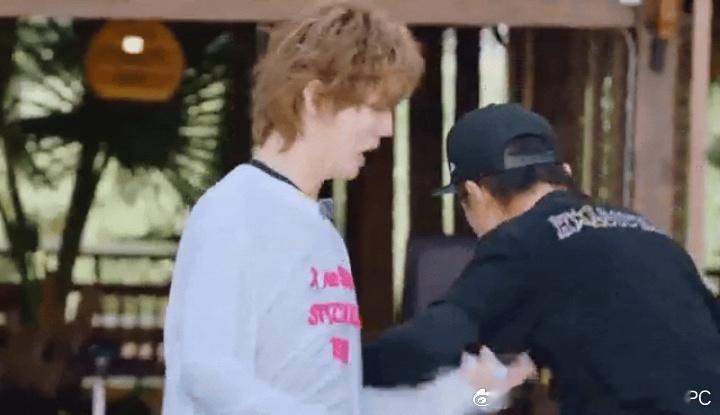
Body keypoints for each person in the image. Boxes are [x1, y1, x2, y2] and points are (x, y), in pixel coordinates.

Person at [161, 3, 534, 415]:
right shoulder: (234, 212)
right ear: (315, 98)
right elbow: (207, 372)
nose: (387, 128)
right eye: (375, 108)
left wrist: (472, 395)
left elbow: (342, 406)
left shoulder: (320, 231)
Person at [362, 103, 720, 415]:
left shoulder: (522, 240)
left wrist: (343, 368)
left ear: (474, 193)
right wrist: (490, 389)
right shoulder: (646, 233)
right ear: (566, 173)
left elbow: (426, 345)